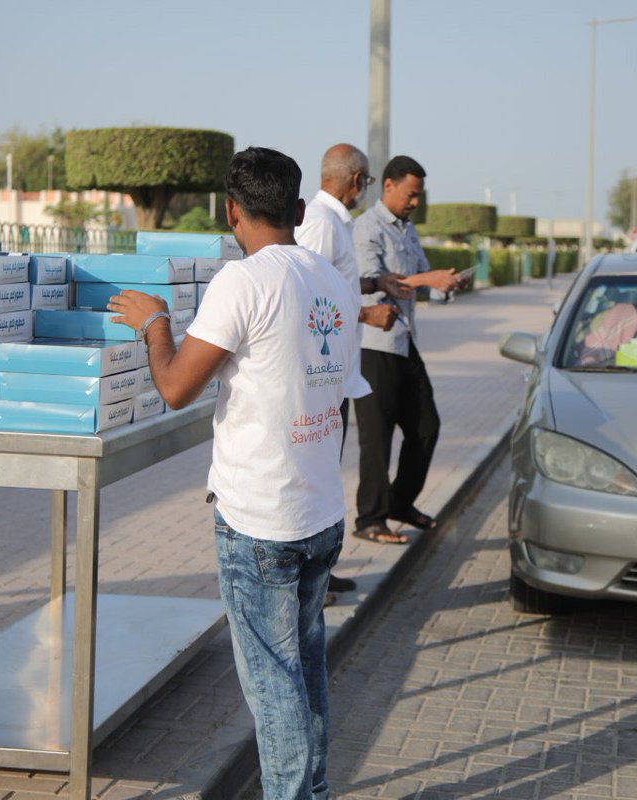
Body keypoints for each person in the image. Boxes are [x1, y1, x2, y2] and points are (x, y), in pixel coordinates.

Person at [108, 147, 357, 800]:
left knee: (275, 689)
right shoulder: (332, 281)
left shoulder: (243, 282)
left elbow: (175, 387)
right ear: (300, 211)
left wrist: (155, 323)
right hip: (321, 512)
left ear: (231, 213)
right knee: (305, 673)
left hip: (261, 523)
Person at [294, 143, 412, 601]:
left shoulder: (333, 222)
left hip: (336, 376)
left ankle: (320, 574)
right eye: (365, 183)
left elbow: (335, 283)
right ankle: (308, 584)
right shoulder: (322, 224)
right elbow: (307, 296)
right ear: (359, 181)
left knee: (323, 481)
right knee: (312, 482)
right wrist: (365, 316)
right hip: (321, 380)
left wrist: (373, 284)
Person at [351, 155, 468, 545]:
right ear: (388, 186)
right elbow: (374, 283)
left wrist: (445, 285)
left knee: (426, 427)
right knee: (377, 436)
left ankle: (401, 503)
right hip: (374, 344)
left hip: (404, 342)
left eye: (419, 196)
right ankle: (371, 518)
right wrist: (424, 279)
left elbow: (424, 282)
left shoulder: (408, 230)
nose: (415, 202)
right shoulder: (366, 228)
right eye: (411, 194)